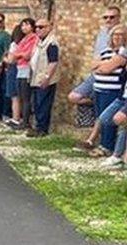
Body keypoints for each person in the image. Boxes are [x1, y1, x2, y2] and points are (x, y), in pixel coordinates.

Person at [70, 7, 121, 149]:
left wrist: (104, 65)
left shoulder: (122, 34)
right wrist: (101, 65)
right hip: (96, 75)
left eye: (112, 17)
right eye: (105, 17)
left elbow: (117, 61)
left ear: (119, 18)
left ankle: (92, 140)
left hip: (111, 80)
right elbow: (95, 60)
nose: (108, 20)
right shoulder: (101, 34)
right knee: (74, 96)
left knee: (106, 114)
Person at [92, 25, 126, 154]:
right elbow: (94, 66)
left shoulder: (123, 52)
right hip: (99, 87)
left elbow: (105, 69)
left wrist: (104, 65)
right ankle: (102, 145)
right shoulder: (106, 51)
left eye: (120, 34)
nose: (117, 37)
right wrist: (106, 64)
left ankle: (108, 147)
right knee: (101, 117)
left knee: (109, 119)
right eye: (115, 35)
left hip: (113, 89)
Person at [28, 19, 60, 137]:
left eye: (41, 27)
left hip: (45, 79)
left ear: (49, 28)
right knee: (37, 103)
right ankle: (38, 127)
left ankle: (42, 129)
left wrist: (47, 77)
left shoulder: (51, 43)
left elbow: (53, 62)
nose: (38, 29)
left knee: (43, 104)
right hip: (36, 78)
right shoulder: (39, 42)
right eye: (36, 27)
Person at [6, 18, 37, 129]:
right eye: (23, 25)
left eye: (27, 25)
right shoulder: (24, 39)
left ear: (32, 26)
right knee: (21, 96)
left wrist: (19, 55)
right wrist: (19, 54)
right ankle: (22, 121)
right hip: (20, 68)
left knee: (25, 96)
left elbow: (27, 55)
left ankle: (25, 122)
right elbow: (16, 54)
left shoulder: (34, 38)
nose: (24, 27)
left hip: (26, 69)